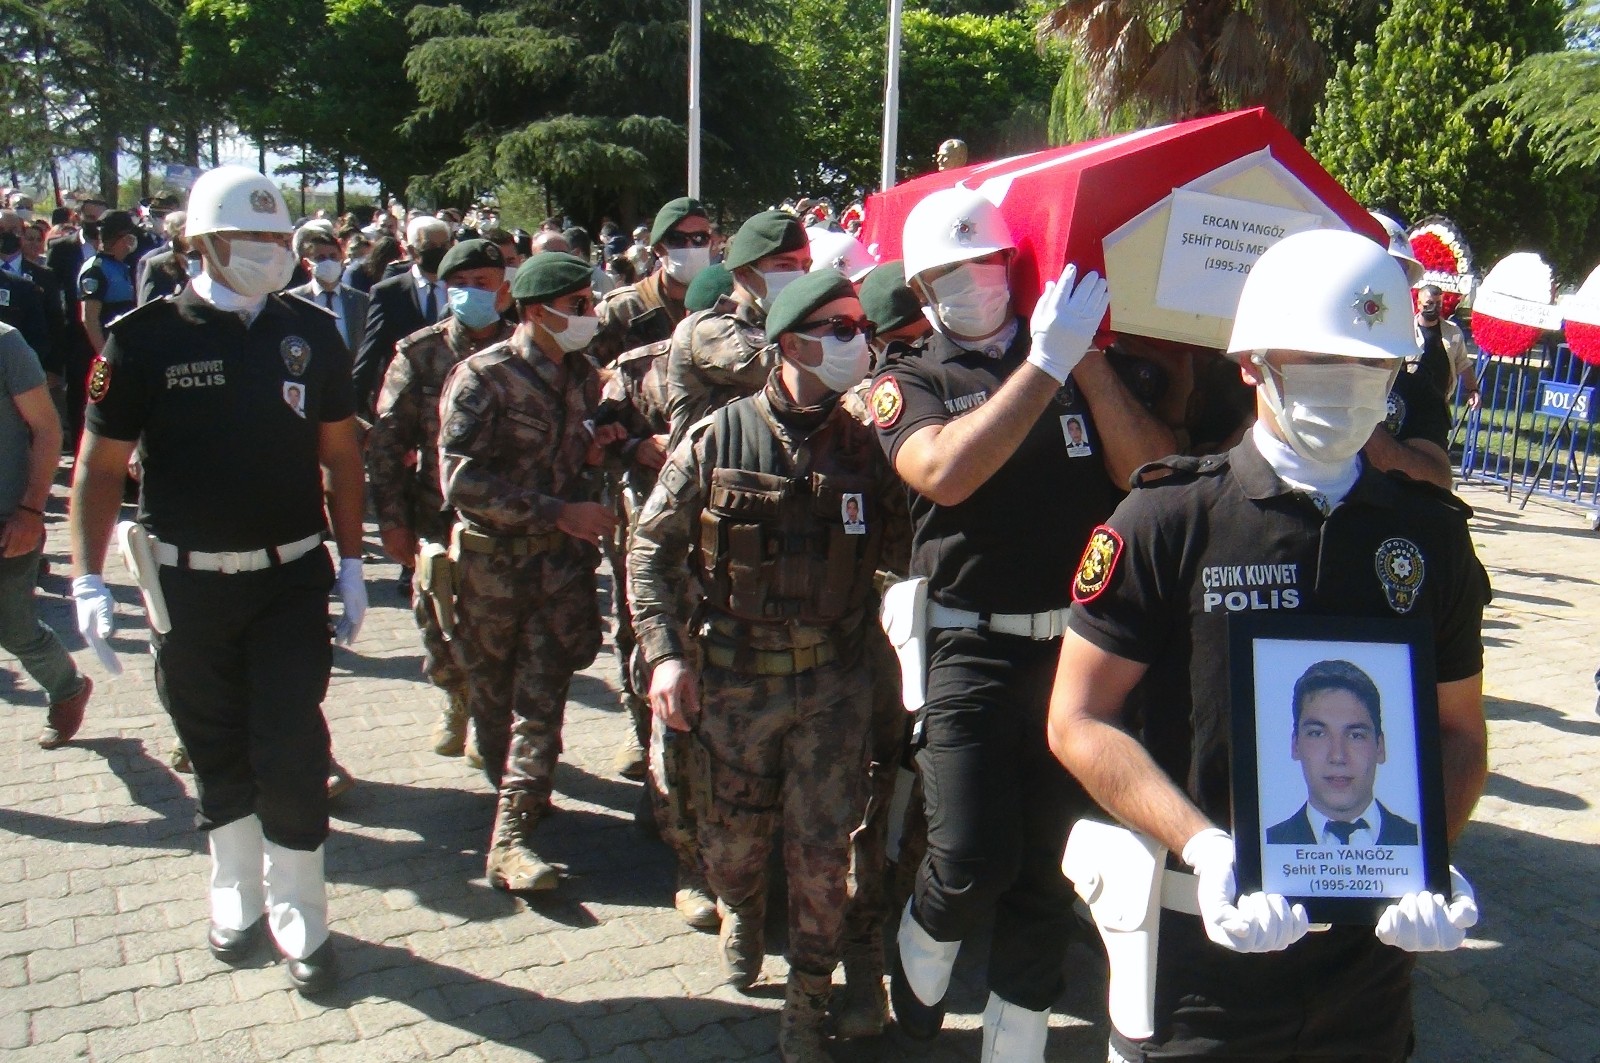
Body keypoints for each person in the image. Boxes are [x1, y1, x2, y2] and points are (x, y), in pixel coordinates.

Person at [1047, 228, 1488, 1063]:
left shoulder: (1428, 538)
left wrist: (1432, 850)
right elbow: (1077, 717)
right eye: (1319, 360)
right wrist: (1204, 846)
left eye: (1372, 366)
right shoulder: (1172, 518)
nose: (1348, 386)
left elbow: (1460, 731)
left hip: (1368, 973)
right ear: (1251, 361)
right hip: (1198, 960)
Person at [869, 186, 1174, 1056]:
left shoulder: (1079, 355)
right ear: (923, 289)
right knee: (970, 856)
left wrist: (1079, 360)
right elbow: (945, 473)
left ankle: (1017, 1032)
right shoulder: (913, 377)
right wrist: (1042, 364)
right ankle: (922, 942)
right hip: (970, 642)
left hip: (1074, 651)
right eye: (951, 273)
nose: (977, 282)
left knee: (1050, 862)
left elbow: (1147, 469)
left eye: (989, 262)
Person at [67, 165, 368, 996]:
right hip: (186, 585)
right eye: (251, 241)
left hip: (288, 580)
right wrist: (86, 578)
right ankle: (235, 891)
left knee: (290, 740)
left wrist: (352, 566)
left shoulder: (311, 330)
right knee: (212, 739)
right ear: (198, 242)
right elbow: (98, 469)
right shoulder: (145, 338)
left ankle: (301, 904)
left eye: (280, 240)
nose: (271, 256)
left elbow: (342, 456)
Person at [629, 270, 906, 1062]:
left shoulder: (870, 445)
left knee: (824, 849)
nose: (860, 339)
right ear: (790, 343)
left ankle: (806, 1003)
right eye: (840, 326)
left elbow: (911, 542)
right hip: (734, 682)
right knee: (731, 845)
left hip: (835, 682)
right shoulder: (717, 437)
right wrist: (664, 656)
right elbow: (650, 549)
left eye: (860, 324)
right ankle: (741, 906)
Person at [437, 251, 621, 893]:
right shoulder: (482, 378)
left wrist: (595, 452)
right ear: (538, 312)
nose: (591, 316)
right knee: (491, 696)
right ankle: (511, 790)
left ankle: (511, 840)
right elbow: (459, 480)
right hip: (492, 571)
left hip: (558, 571)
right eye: (579, 306)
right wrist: (556, 510)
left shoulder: (583, 376)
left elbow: (579, 447)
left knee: (539, 698)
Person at [367, 239, 513, 759]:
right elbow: (387, 441)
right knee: (439, 618)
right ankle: (456, 698)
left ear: (504, 289)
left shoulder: (527, 349)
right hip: (436, 515)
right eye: (462, 285)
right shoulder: (420, 353)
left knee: (499, 625)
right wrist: (391, 521)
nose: (474, 294)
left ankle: (491, 717)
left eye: (484, 283)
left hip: (505, 518)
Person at [0, 323, 93, 748]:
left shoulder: (6, 343)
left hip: (9, 523)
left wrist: (31, 510)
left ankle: (67, 687)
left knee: (15, 629)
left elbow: (47, 429)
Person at [664, 209, 811, 449]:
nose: (799, 275)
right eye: (784, 265)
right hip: (705, 475)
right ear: (744, 273)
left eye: (805, 265)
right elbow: (779, 365)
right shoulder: (706, 329)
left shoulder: (781, 325)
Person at [1264, 660, 1420, 846]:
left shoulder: (1418, 841)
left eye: (1356, 735)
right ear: (1295, 745)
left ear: (1380, 746)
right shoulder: (1268, 844)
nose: (1338, 756)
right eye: (1317, 734)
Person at [591, 198, 712, 368]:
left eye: (700, 238)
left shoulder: (724, 303)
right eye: (677, 239)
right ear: (658, 248)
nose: (690, 246)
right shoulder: (623, 308)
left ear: (712, 244)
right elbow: (586, 372)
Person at [355, 216, 452, 413]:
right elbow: (371, 350)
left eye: (444, 245)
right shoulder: (388, 292)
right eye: (431, 245)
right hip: (404, 400)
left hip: (450, 395)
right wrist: (354, 404)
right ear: (411, 250)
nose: (439, 251)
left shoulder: (460, 288)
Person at [287, 225, 369, 355]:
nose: (328, 262)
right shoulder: (293, 301)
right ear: (306, 264)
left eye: (333, 256)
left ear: (341, 259)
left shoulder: (361, 301)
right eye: (320, 258)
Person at [78, 211, 141, 357]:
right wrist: (104, 357)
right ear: (117, 239)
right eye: (128, 238)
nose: (130, 243)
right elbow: (90, 318)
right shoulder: (96, 270)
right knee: (101, 381)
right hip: (104, 352)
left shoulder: (121, 266)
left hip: (122, 349)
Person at [1414, 284, 1476, 405]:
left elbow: (1463, 363)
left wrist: (1473, 390)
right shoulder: (1407, 331)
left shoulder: (1453, 332)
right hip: (1409, 400)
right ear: (1419, 304)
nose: (1434, 307)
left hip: (1440, 401)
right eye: (1429, 303)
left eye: (1438, 303)